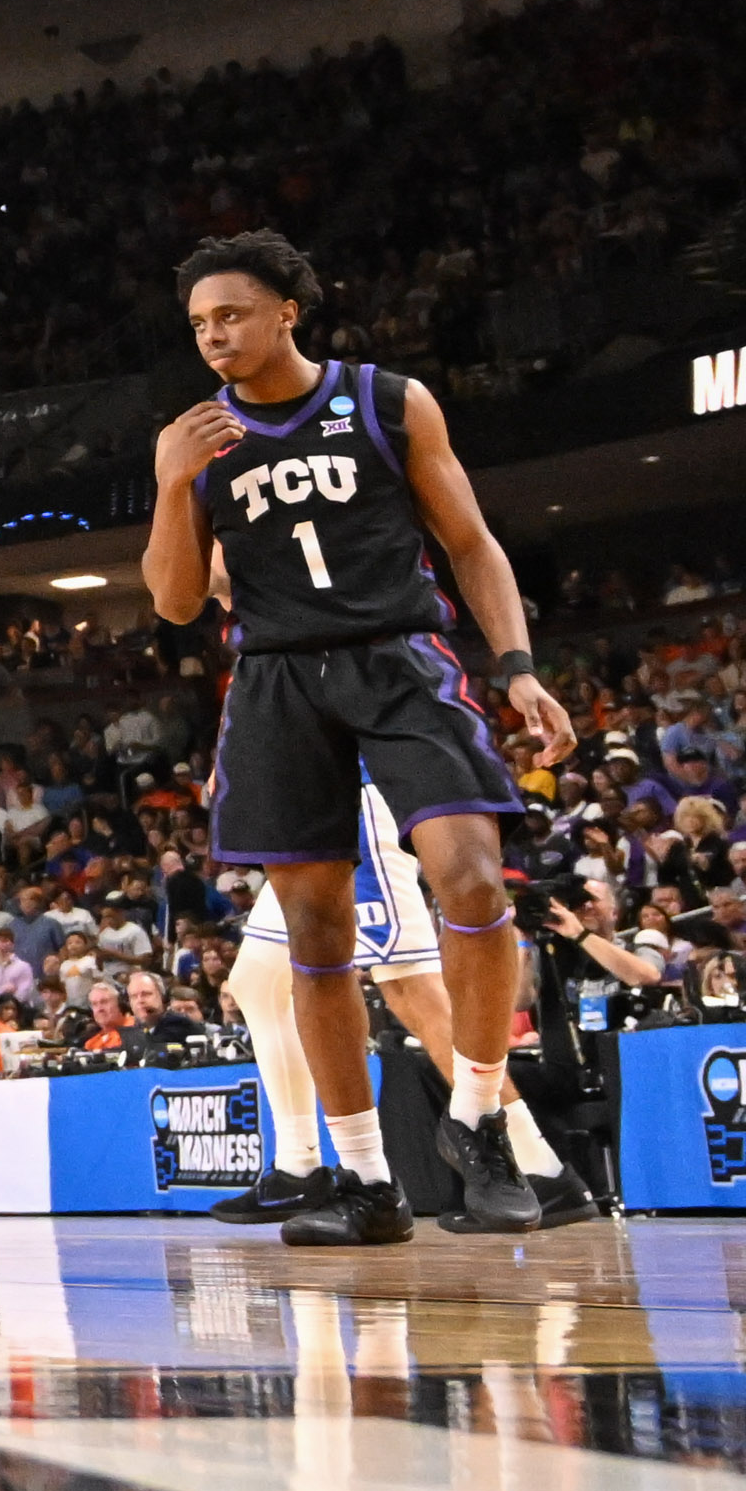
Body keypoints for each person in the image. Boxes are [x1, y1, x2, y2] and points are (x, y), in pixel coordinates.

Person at [144, 228, 574, 1245]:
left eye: (231, 314)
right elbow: (173, 602)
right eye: (198, 323)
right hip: (276, 681)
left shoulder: (387, 401)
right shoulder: (195, 440)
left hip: (397, 658)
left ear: (288, 310)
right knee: (315, 937)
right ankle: (366, 1180)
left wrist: (516, 666)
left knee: (472, 882)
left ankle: (478, 1122)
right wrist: (169, 483)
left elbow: (469, 541)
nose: (213, 335)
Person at [216, 773, 596, 1229]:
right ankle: (298, 1166)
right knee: (256, 979)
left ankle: (541, 1170)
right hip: (306, 799)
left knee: (412, 989)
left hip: (355, 793)